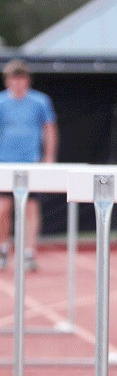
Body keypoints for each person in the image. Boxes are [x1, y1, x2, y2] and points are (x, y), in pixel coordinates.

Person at [0, 60, 58, 270]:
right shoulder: (1, 103)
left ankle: (28, 253)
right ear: (8, 81)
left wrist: (49, 155)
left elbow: (49, 128)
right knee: (3, 209)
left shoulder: (40, 102)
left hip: (31, 163)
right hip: (5, 163)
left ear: (27, 80)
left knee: (31, 209)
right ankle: (3, 249)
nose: (17, 83)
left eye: (21, 78)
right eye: (13, 78)